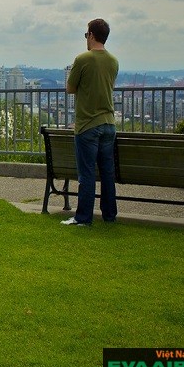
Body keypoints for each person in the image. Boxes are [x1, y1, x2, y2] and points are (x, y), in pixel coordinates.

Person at [61, 18, 119, 226]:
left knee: (86, 174)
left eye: (87, 35)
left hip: (87, 125)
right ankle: (109, 215)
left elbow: (70, 88)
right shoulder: (113, 61)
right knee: (107, 173)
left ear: (92, 35)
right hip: (109, 123)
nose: (86, 39)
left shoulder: (83, 59)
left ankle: (83, 217)